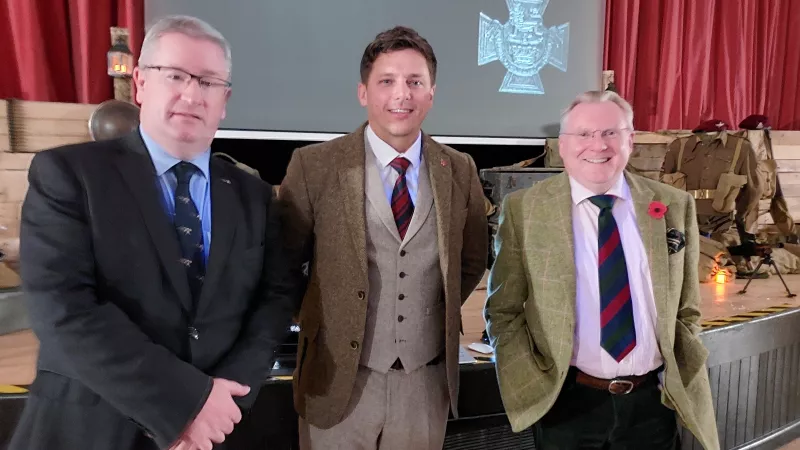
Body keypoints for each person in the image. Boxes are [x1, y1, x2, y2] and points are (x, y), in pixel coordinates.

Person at [10, 15, 294, 450]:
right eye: (175, 75)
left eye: (209, 82)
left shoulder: (253, 195)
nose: (191, 94)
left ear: (225, 99)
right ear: (140, 83)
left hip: (217, 431)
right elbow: (65, 310)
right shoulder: (69, 175)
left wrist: (224, 399)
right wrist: (187, 405)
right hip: (88, 430)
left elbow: (273, 302)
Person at [279, 26, 488, 450]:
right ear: (363, 92)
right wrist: (324, 317)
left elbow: (470, 261)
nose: (402, 94)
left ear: (431, 93)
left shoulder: (460, 169)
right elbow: (282, 265)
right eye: (387, 81)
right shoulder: (314, 166)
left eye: (415, 82)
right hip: (337, 381)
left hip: (424, 385)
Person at [485, 90, 720, 450]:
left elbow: (687, 307)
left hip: (651, 405)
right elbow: (503, 311)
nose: (598, 145)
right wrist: (528, 380)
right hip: (565, 404)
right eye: (583, 134)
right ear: (562, 145)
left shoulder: (673, 205)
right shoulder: (524, 209)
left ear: (630, 140)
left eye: (611, 132)